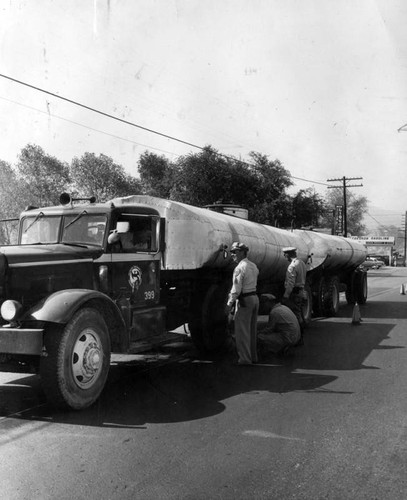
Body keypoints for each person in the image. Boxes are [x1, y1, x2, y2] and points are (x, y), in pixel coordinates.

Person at [225, 241, 259, 365]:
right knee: (252, 330)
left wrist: (229, 304)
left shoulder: (239, 267)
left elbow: (236, 289)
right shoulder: (253, 266)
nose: (232, 255)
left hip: (245, 300)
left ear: (241, 252)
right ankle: (253, 357)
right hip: (254, 297)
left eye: (234, 252)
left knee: (242, 331)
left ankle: (245, 359)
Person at [282, 246, 307, 337]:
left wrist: (286, 296)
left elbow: (290, 284)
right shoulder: (301, 263)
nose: (284, 256)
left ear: (288, 255)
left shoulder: (292, 266)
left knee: (295, 315)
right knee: (299, 313)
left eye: (285, 254)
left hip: (294, 293)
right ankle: (301, 333)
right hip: (301, 291)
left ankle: (298, 336)